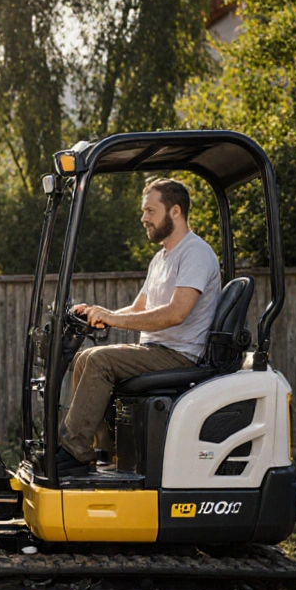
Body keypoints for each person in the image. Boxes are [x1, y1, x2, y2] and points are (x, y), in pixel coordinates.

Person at [56, 178, 221, 479]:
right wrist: (98, 314)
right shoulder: (160, 259)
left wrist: (113, 318)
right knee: (84, 357)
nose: (143, 218)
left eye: (149, 211)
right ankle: (103, 452)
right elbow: (138, 310)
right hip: (155, 350)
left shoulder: (195, 253)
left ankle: (72, 452)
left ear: (175, 211)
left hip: (179, 354)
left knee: (98, 360)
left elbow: (176, 313)